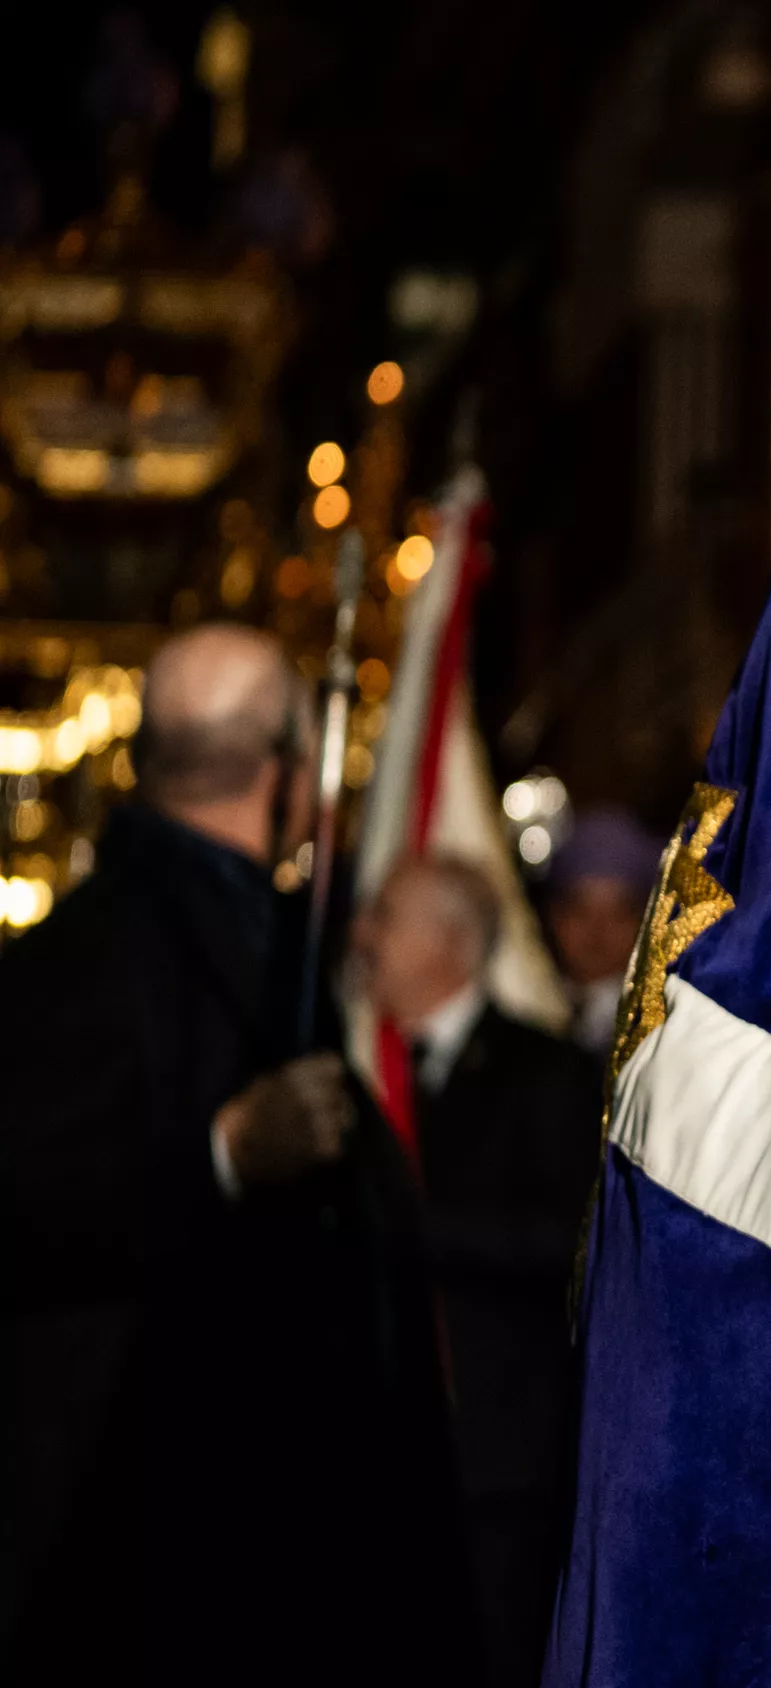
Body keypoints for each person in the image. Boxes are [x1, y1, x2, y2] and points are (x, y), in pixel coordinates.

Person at [0, 624, 469, 1684]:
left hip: (265, 1522)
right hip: (137, 1541)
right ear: (289, 776)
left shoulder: (275, 938)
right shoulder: (91, 958)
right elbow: (25, 1206)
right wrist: (223, 1151)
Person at [352, 852, 605, 1688]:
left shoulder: (548, 1073)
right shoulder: (359, 1077)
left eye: (385, 916)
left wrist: (413, 1231)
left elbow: (569, 1242)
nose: (363, 935)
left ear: (450, 943)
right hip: (386, 1447)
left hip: (498, 1456)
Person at [543, 807, 658, 1056]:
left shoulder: (660, 1026)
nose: (598, 932)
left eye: (618, 914)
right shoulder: (529, 1004)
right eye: (581, 911)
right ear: (555, 917)